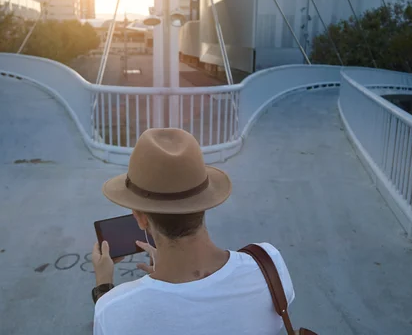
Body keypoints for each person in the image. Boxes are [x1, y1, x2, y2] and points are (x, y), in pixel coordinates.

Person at [91, 128, 295, 334]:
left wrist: (104, 285)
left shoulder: (113, 309)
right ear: (203, 201)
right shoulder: (268, 265)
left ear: (141, 218)